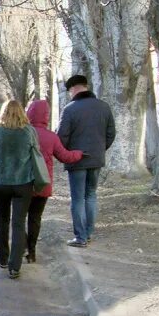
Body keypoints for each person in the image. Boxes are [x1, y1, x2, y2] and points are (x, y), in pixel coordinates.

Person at [57, 74, 115, 248]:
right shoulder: (104, 107)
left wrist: (68, 153)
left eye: (69, 91)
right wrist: (99, 149)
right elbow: (111, 133)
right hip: (96, 159)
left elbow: (62, 136)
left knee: (77, 199)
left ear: (73, 89)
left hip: (77, 160)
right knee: (91, 196)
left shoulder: (70, 109)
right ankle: (88, 233)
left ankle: (80, 237)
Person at [0, 100, 40, 279]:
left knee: (2, 220)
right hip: (23, 183)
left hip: (0, 182)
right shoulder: (29, 131)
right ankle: (15, 266)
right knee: (18, 223)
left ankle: (2, 258)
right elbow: (35, 153)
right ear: (21, 113)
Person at [25, 99, 83, 263]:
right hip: (43, 183)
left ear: (29, 113)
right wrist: (79, 153)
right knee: (35, 218)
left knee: (19, 217)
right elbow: (65, 156)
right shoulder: (51, 137)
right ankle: (32, 252)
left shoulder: (24, 133)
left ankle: (21, 244)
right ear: (46, 116)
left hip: (24, 183)